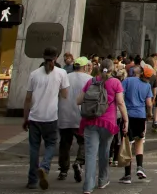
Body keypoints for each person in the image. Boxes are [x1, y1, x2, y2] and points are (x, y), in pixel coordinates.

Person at [23, 46, 70, 190]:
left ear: (43, 57)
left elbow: (28, 99)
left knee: (34, 148)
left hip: (35, 116)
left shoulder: (34, 74)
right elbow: (65, 95)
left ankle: (32, 180)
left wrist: (25, 118)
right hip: (50, 116)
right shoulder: (61, 73)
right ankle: (45, 167)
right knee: (50, 144)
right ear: (56, 58)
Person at [78, 59, 127, 194]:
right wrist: (126, 120)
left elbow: (78, 100)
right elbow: (121, 103)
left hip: (90, 121)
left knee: (90, 154)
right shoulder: (116, 82)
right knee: (105, 152)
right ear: (112, 69)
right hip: (108, 123)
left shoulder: (91, 81)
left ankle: (88, 186)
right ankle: (102, 180)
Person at [58, 57, 91, 183]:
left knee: (65, 143)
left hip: (64, 114)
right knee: (84, 141)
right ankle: (79, 162)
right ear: (85, 67)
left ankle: (63, 171)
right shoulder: (89, 79)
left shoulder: (65, 76)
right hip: (81, 116)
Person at [119, 66, 154, 184]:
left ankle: (127, 175)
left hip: (128, 115)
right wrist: (149, 114)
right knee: (139, 141)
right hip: (141, 116)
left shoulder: (128, 80)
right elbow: (149, 104)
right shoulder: (147, 86)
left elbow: (120, 96)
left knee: (127, 144)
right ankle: (140, 167)